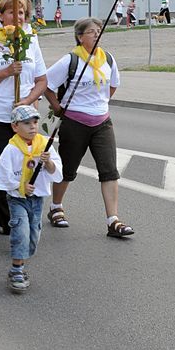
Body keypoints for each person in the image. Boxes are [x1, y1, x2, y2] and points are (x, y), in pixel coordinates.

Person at [43, 17, 134, 238]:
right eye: (92, 31)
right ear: (80, 36)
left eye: (99, 30)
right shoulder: (70, 60)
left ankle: (113, 220)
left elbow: (112, 86)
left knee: (109, 170)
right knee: (67, 169)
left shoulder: (108, 59)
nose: (96, 34)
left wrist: (99, 104)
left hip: (102, 122)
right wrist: (57, 107)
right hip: (74, 123)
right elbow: (46, 84)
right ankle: (56, 207)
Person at [0, 0, 48, 235]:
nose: (18, 17)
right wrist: (6, 72)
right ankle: (9, 220)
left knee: (17, 164)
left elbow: (42, 80)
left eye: (22, 13)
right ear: (1, 15)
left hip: (22, 115)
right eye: (12, 12)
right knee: (2, 163)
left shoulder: (30, 40)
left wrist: (26, 100)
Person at [0, 105, 62, 293]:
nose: (32, 127)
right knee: (21, 232)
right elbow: (3, 175)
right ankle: (17, 269)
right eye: (26, 123)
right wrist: (19, 186)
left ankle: (22, 258)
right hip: (18, 200)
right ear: (15, 127)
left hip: (38, 200)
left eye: (35, 122)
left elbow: (57, 173)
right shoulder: (11, 149)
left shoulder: (44, 145)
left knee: (33, 236)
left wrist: (47, 162)